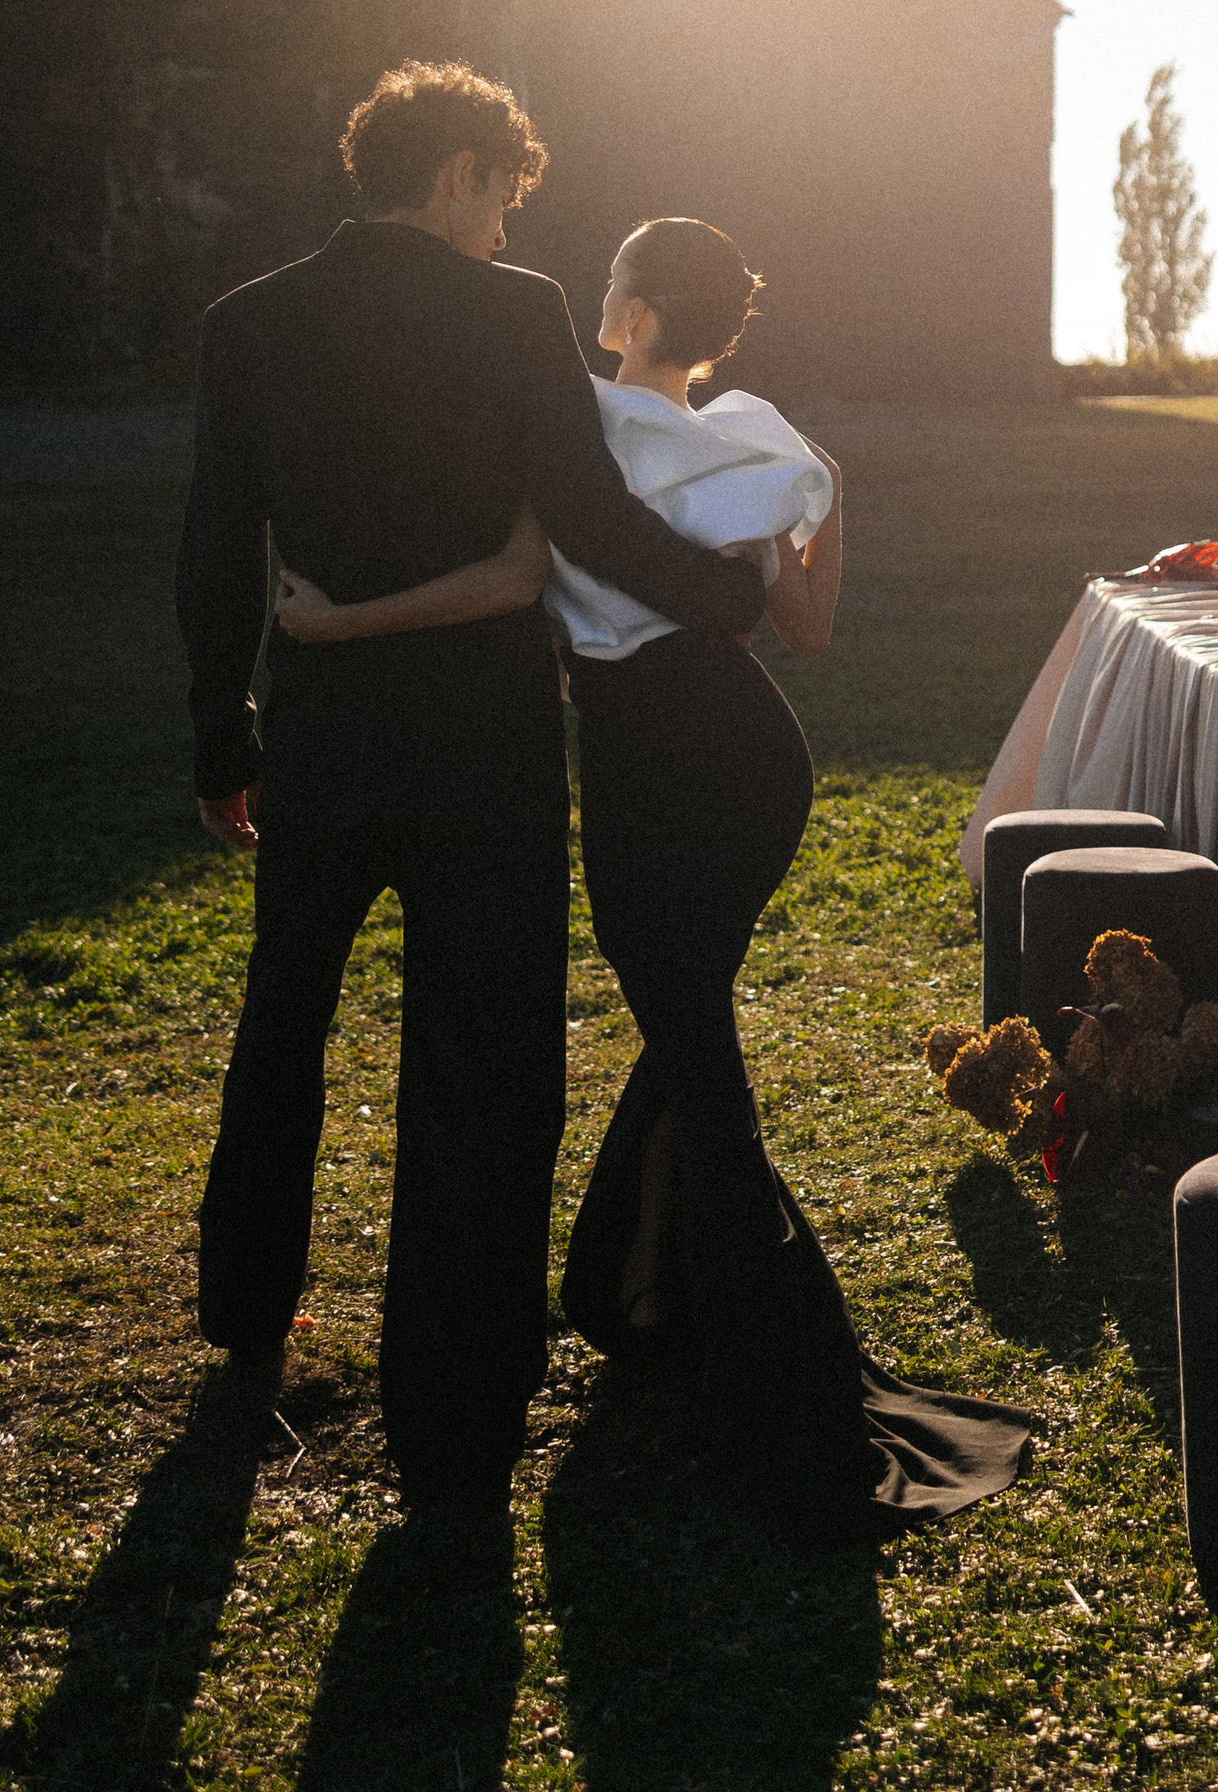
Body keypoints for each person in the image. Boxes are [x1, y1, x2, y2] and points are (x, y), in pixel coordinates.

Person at [273, 214, 1035, 1544]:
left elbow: (512, 577)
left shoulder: (573, 426)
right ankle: (650, 1289)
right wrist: (829, 497)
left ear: (627, 312)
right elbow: (804, 628)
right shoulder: (758, 436)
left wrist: (334, 624)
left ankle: (781, 1376)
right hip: (751, 763)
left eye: (610, 291)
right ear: (719, 327)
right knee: (690, 1037)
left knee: (695, 1050)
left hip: (650, 773)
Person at [175, 66, 768, 1512]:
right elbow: (587, 516)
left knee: (285, 1019)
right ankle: (458, 1402)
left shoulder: (247, 325)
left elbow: (211, 547)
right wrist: (726, 598)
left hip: (319, 736)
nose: (507, 223)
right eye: (500, 191)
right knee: (485, 1067)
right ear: (453, 177)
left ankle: (247, 1307)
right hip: (484, 752)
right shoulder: (515, 315)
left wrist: (221, 736)